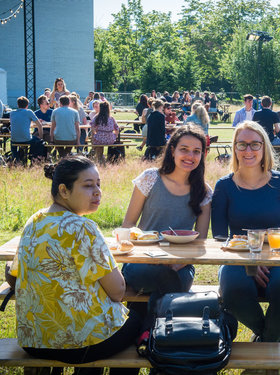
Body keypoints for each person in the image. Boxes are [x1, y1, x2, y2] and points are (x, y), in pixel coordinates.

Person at [11, 155, 142, 374]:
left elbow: (13, 274)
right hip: (79, 345)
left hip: (33, 341)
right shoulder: (83, 227)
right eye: (88, 186)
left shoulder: (33, 221)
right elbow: (118, 292)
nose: (98, 192)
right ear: (64, 190)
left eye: (99, 185)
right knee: (139, 316)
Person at [211, 120, 280, 343]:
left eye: (255, 144)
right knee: (234, 290)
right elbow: (220, 237)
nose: (248, 150)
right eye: (242, 145)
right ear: (234, 148)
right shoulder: (224, 186)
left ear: (264, 147)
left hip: (276, 255)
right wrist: (249, 260)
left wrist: (264, 256)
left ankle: (265, 341)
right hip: (237, 258)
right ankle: (270, 338)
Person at [122, 125, 212, 319]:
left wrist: (180, 263)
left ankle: (142, 327)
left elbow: (201, 241)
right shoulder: (150, 178)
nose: (190, 156)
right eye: (184, 149)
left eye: (197, 151)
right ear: (172, 150)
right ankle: (154, 329)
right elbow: (128, 225)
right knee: (164, 280)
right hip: (142, 261)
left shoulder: (204, 192)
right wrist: (150, 257)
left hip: (180, 265)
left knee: (173, 279)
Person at [10, 96, 44, 162]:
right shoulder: (29, 112)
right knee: (38, 141)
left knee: (12, 143)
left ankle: (16, 159)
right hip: (26, 138)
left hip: (14, 139)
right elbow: (39, 125)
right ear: (27, 105)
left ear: (17, 105)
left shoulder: (12, 113)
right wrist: (41, 137)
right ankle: (32, 157)